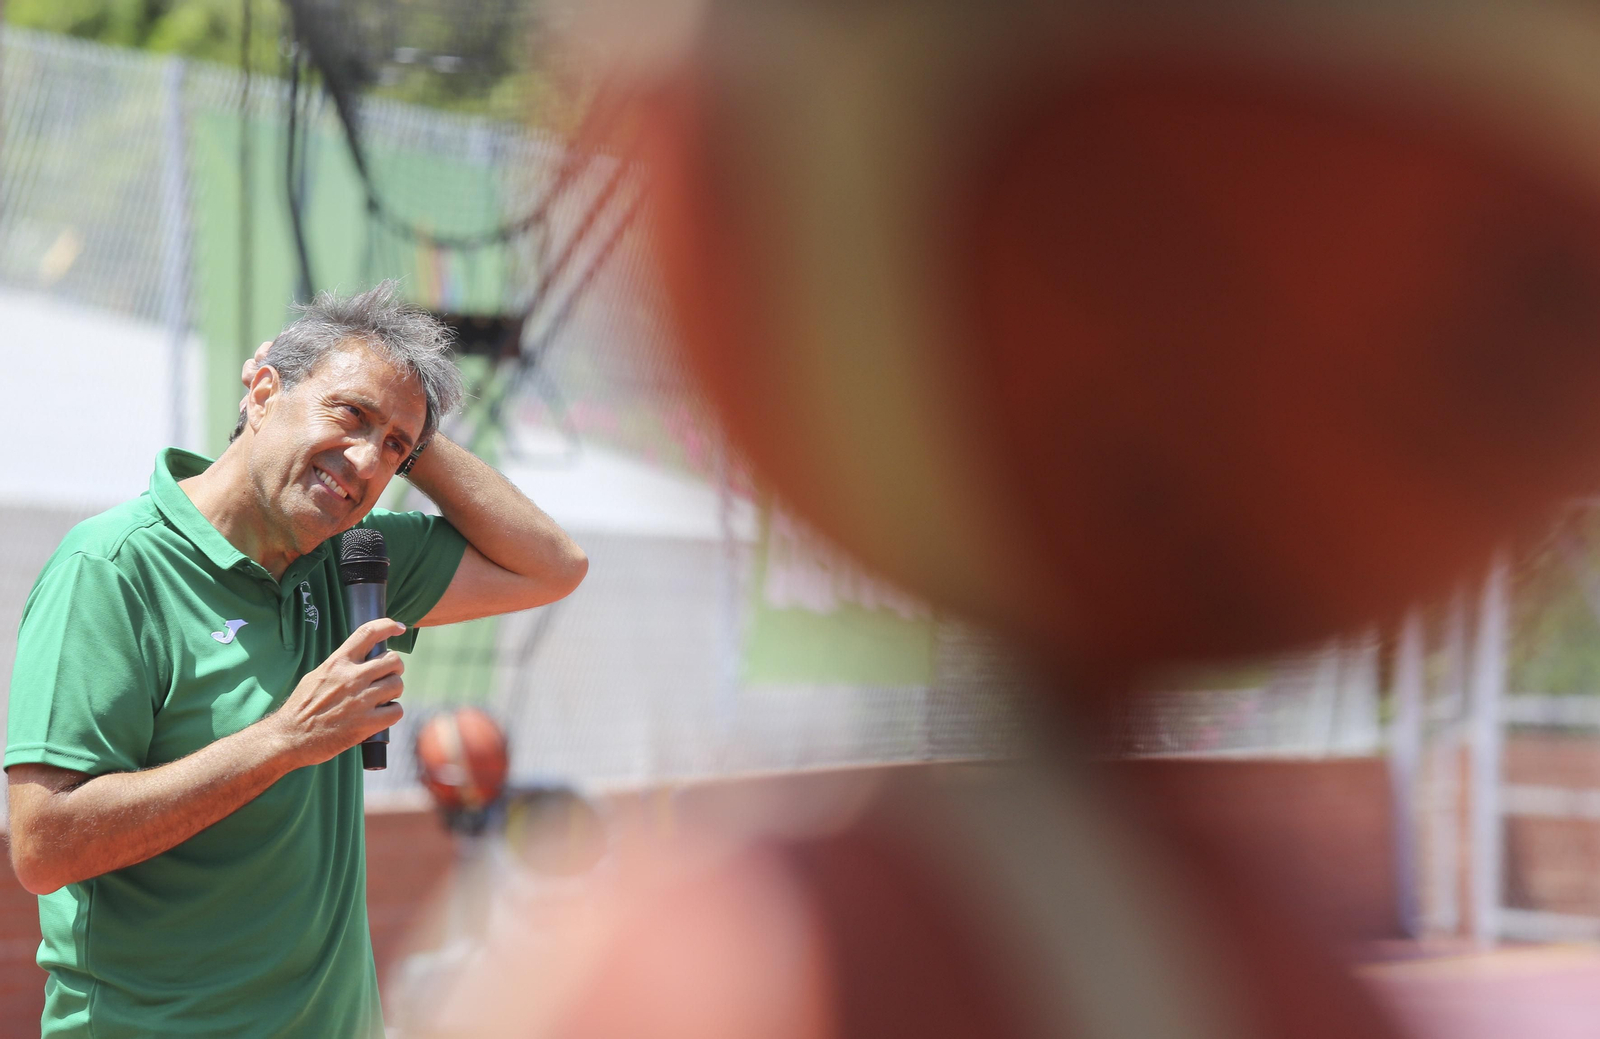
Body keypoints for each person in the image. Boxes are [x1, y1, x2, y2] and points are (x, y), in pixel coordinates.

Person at [3, 281, 588, 1038]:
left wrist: (415, 429)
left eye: (392, 450)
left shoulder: (356, 557)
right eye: (349, 414)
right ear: (263, 387)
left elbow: (554, 565)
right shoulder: (111, 569)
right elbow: (44, 844)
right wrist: (286, 739)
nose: (365, 461)